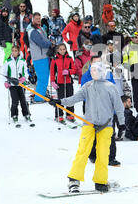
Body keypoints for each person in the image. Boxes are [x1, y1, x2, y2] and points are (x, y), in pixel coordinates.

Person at [48, 62, 125, 193]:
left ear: (102, 72)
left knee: (103, 153)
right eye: (92, 70)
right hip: (89, 124)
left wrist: (122, 124)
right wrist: (60, 101)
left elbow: (119, 107)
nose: (92, 72)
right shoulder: (88, 86)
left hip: (106, 125)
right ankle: (74, 180)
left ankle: (100, 181)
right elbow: (74, 98)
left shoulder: (110, 87)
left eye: (95, 70)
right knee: (83, 151)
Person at [27, 12, 54, 103]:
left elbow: (45, 40)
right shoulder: (33, 31)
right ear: (33, 19)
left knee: (44, 78)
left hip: (44, 56)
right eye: (36, 18)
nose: (38, 20)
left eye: (39, 18)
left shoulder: (40, 29)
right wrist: (51, 44)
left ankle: (41, 94)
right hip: (39, 57)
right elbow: (42, 43)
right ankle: (38, 98)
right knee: (43, 78)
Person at [3, 45, 31, 125]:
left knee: (23, 100)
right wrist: (6, 82)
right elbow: (4, 73)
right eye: (13, 51)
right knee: (15, 100)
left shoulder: (22, 61)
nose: (14, 52)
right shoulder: (8, 61)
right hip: (12, 85)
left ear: (19, 52)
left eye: (16, 51)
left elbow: (26, 71)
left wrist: (24, 78)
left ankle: (26, 114)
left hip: (21, 84)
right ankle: (14, 115)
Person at [50, 43, 77, 123]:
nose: (62, 51)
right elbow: (52, 71)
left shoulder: (69, 58)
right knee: (60, 99)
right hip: (59, 82)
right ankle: (59, 115)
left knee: (70, 98)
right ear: (58, 50)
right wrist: (52, 81)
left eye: (64, 49)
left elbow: (74, 69)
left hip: (68, 81)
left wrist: (68, 71)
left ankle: (69, 114)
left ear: (66, 50)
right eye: (60, 49)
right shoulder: (55, 59)